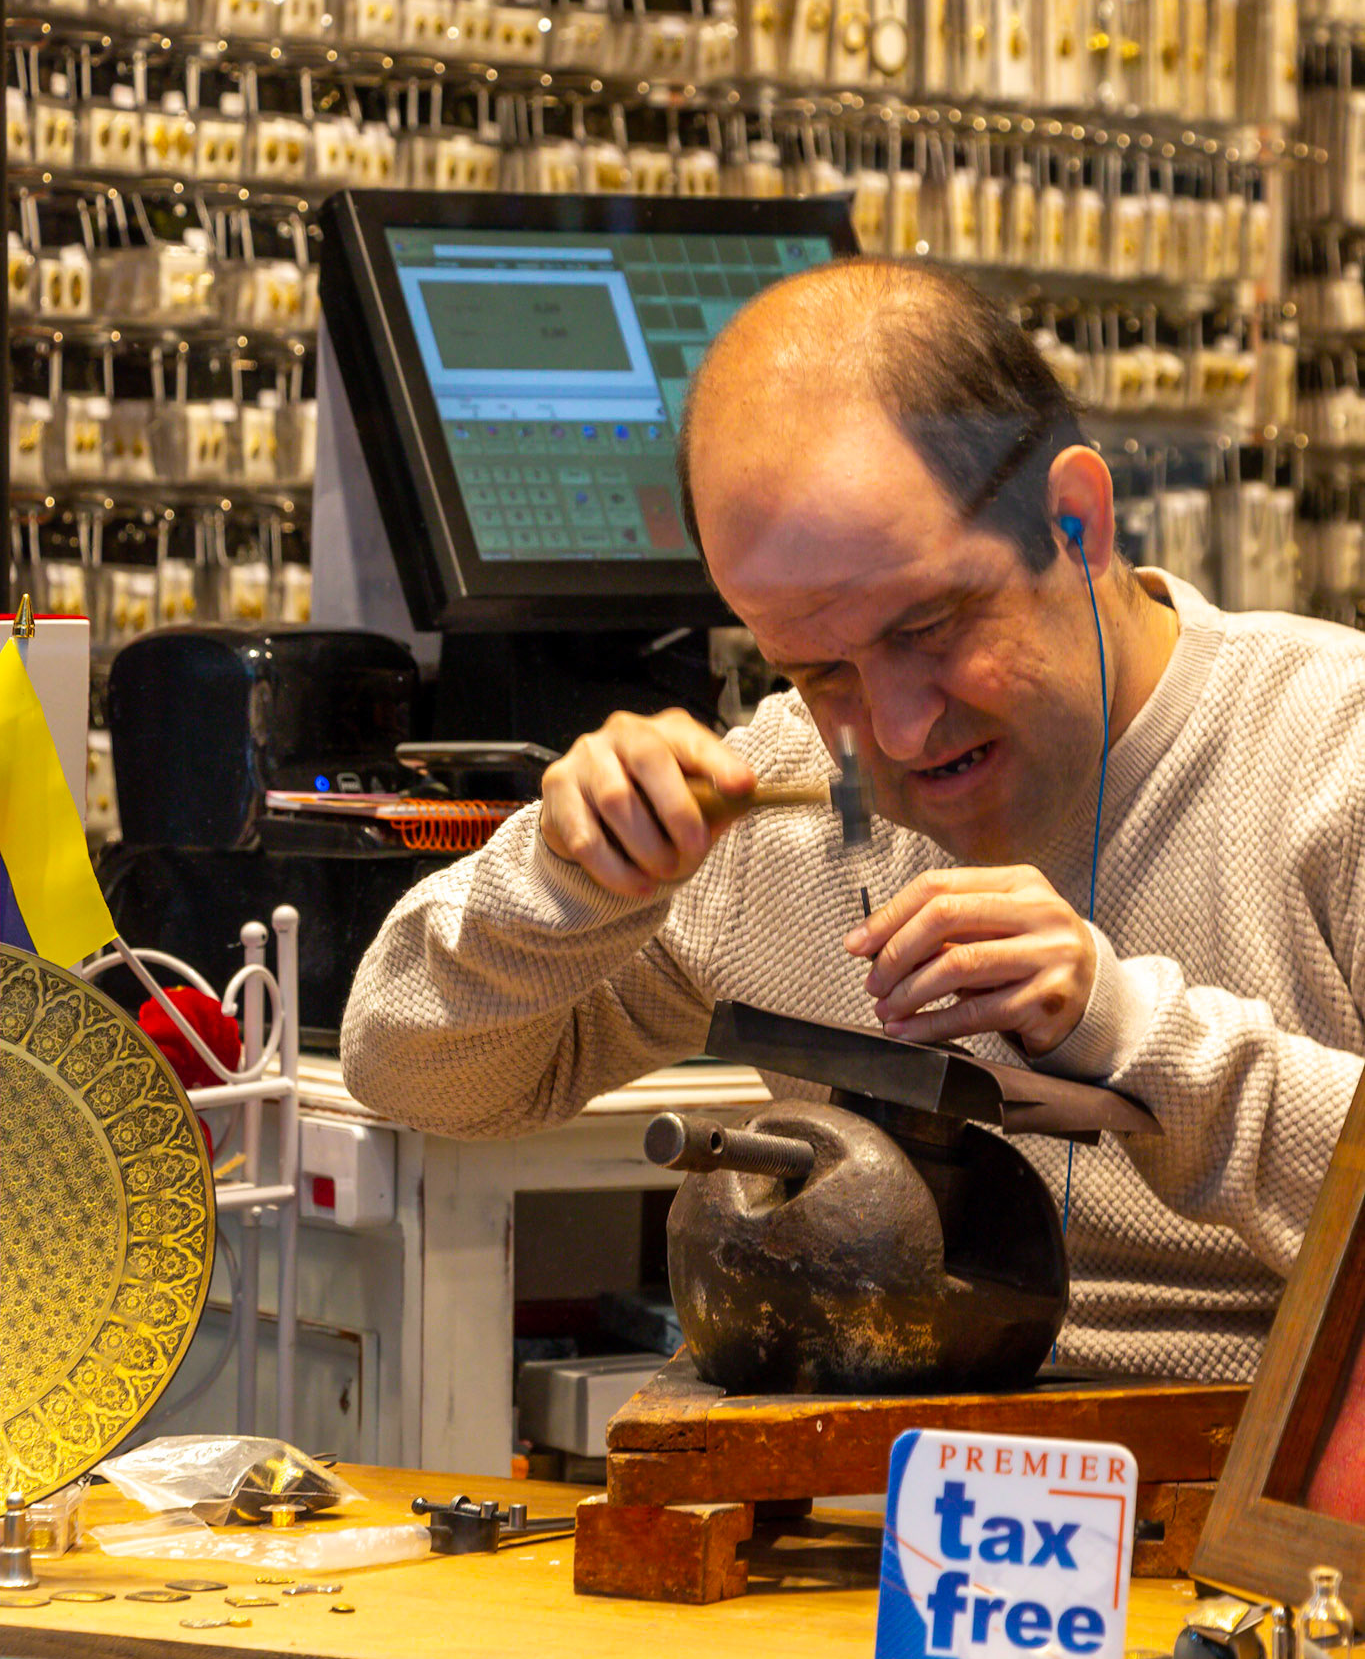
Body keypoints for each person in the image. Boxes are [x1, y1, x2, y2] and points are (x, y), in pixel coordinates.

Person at [342, 256, 1365, 1381]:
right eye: (818, 667)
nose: (901, 730)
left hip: (1247, 1523)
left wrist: (1134, 1035)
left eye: (929, 624)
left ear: (1075, 521)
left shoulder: (1333, 755)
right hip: (866, 1507)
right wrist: (565, 880)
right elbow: (410, 1074)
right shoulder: (785, 791)